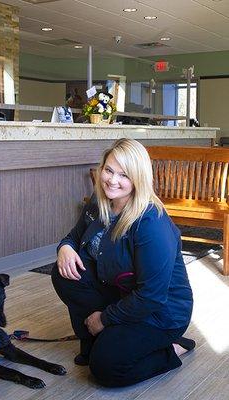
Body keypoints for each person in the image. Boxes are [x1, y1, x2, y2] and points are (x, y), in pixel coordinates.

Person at [51, 138, 194, 387]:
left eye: (124, 175)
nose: (112, 180)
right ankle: (96, 339)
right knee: (64, 273)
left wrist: (104, 318)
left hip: (160, 313)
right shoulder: (100, 202)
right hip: (124, 294)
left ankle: (172, 348)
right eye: (109, 170)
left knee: (106, 368)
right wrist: (64, 248)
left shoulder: (151, 224)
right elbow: (74, 237)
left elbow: (151, 296)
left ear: (138, 179)